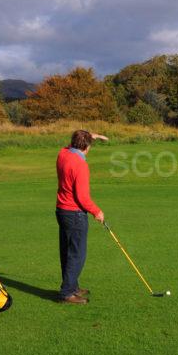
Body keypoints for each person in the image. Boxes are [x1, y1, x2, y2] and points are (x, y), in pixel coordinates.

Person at [55, 130, 107, 304]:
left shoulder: (63, 153)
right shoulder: (80, 165)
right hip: (74, 213)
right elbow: (82, 198)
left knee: (67, 251)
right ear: (86, 147)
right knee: (77, 254)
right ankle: (67, 292)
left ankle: (72, 286)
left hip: (61, 211)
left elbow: (74, 143)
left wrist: (93, 136)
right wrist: (97, 211)